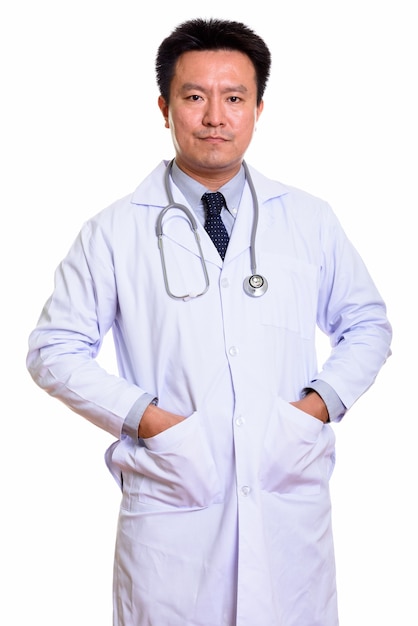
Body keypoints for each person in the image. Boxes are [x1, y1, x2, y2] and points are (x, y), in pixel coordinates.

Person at [26, 17, 392, 626]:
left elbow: (367, 324)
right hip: (174, 504)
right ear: (165, 106)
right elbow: (54, 349)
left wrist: (317, 406)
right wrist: (151, 420)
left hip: (285, 502)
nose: (214, 117)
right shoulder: (115, 230)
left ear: (258, 108)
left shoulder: (308, 219)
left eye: (234, 98)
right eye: (195, 97)